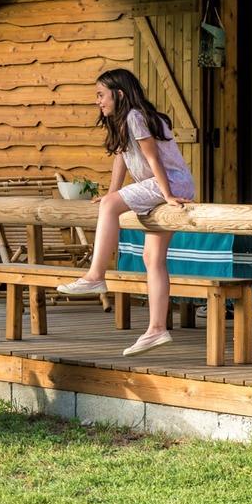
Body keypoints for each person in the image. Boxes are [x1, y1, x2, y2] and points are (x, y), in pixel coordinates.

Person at [56, 68, 195, 356]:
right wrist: (112, 191)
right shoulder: (125, 120)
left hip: (167, 182)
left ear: (119, 94)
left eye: (101, 95)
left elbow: (152, 157)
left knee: (110, 208)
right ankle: (157, 328)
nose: (98, 101)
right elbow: (122, 158)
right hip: (165, 183)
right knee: (152, 257)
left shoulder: (134, 116)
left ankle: (95, 275)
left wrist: (167, 194)